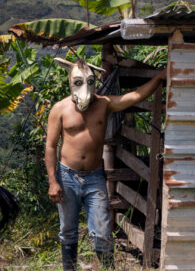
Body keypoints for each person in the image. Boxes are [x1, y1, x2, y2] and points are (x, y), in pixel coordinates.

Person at [45, 58, 166, 270]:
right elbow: (50, 146)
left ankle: (107, 268)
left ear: (94, 81)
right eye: (78, 82)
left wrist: (158, 78)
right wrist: (53, 181)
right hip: (67, 177)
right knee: (68, 230)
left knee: (102, 232)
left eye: (89, 81)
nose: (84, 87)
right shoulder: (60, 109)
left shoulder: (104, 104)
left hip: (94, 178)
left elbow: (133, 97)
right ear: (70, 81)